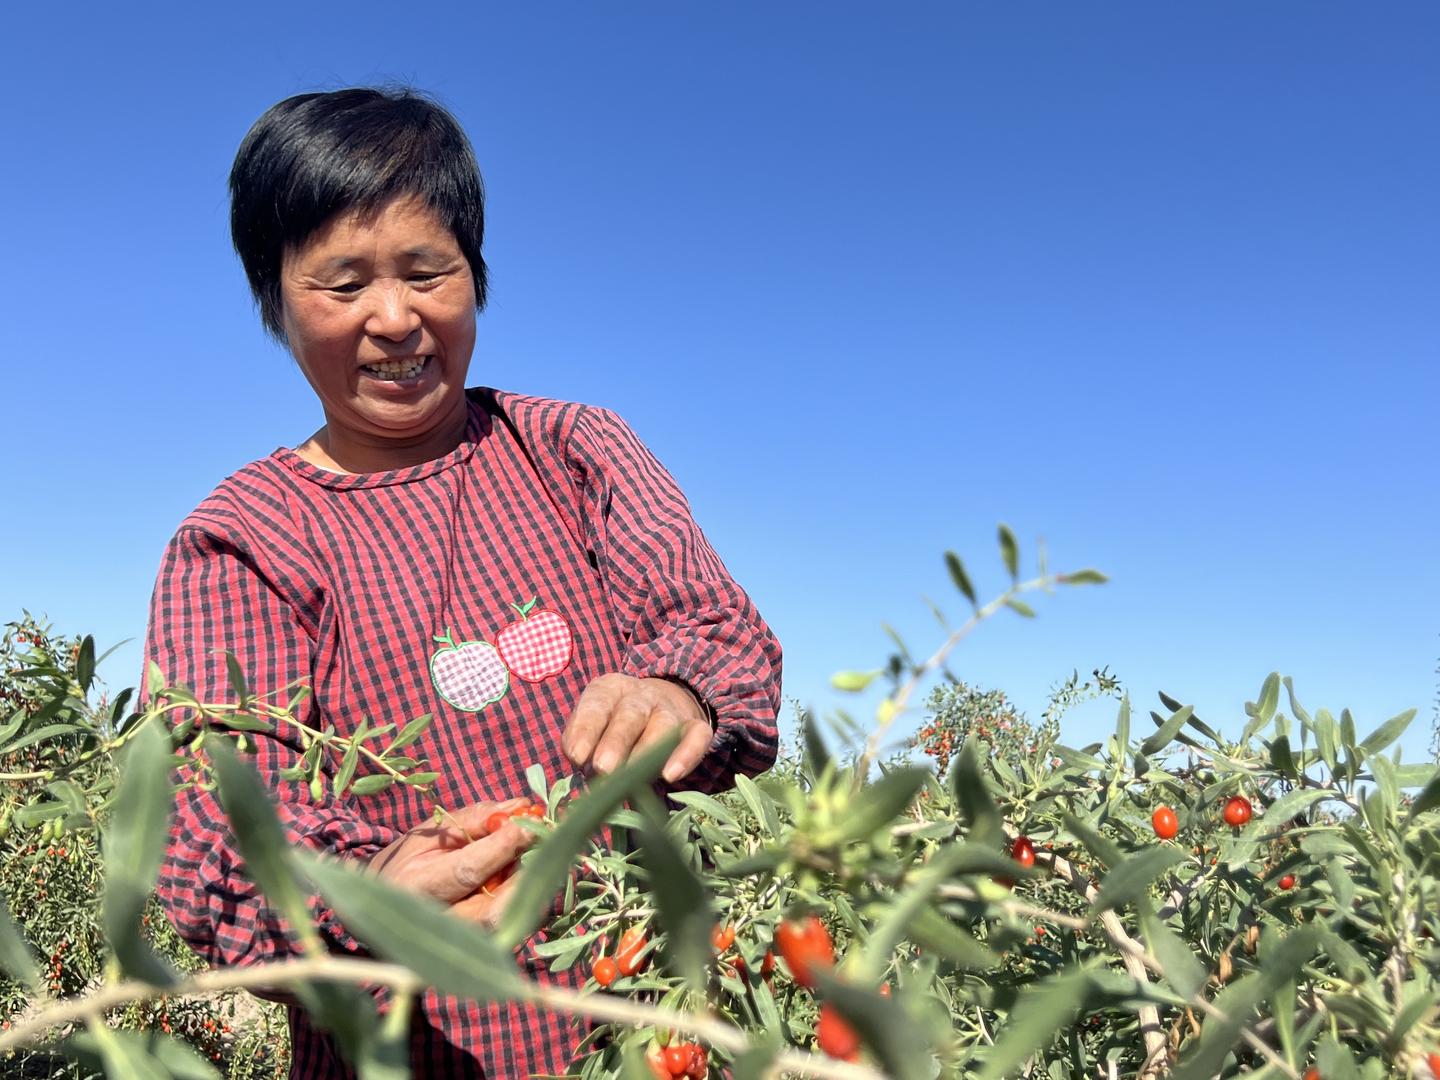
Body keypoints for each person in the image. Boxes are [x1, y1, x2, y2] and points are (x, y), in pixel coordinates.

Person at [141, 86, 782, 1078]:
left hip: (669, 1030)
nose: (393, 317)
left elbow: (714, 630)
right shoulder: (242, 540)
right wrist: (367, 887)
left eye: (426, 271)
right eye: (342, 284)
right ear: (274, 303)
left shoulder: (573, 449)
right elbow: (212, 817)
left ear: (475, 279)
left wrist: (678, 693)